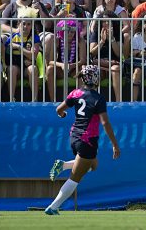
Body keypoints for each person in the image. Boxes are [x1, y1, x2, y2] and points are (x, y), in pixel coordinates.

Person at [45, 65, 121, 215]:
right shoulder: (98, 98)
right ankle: (53, 207)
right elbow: (105, 123)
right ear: (95, 78)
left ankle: (64, 165)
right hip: (88, 140)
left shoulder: (76, 93)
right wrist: (115, 145)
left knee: (93, 165)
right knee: (76, 177)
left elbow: (59, 110)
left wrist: (62, 115)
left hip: (74, 136)